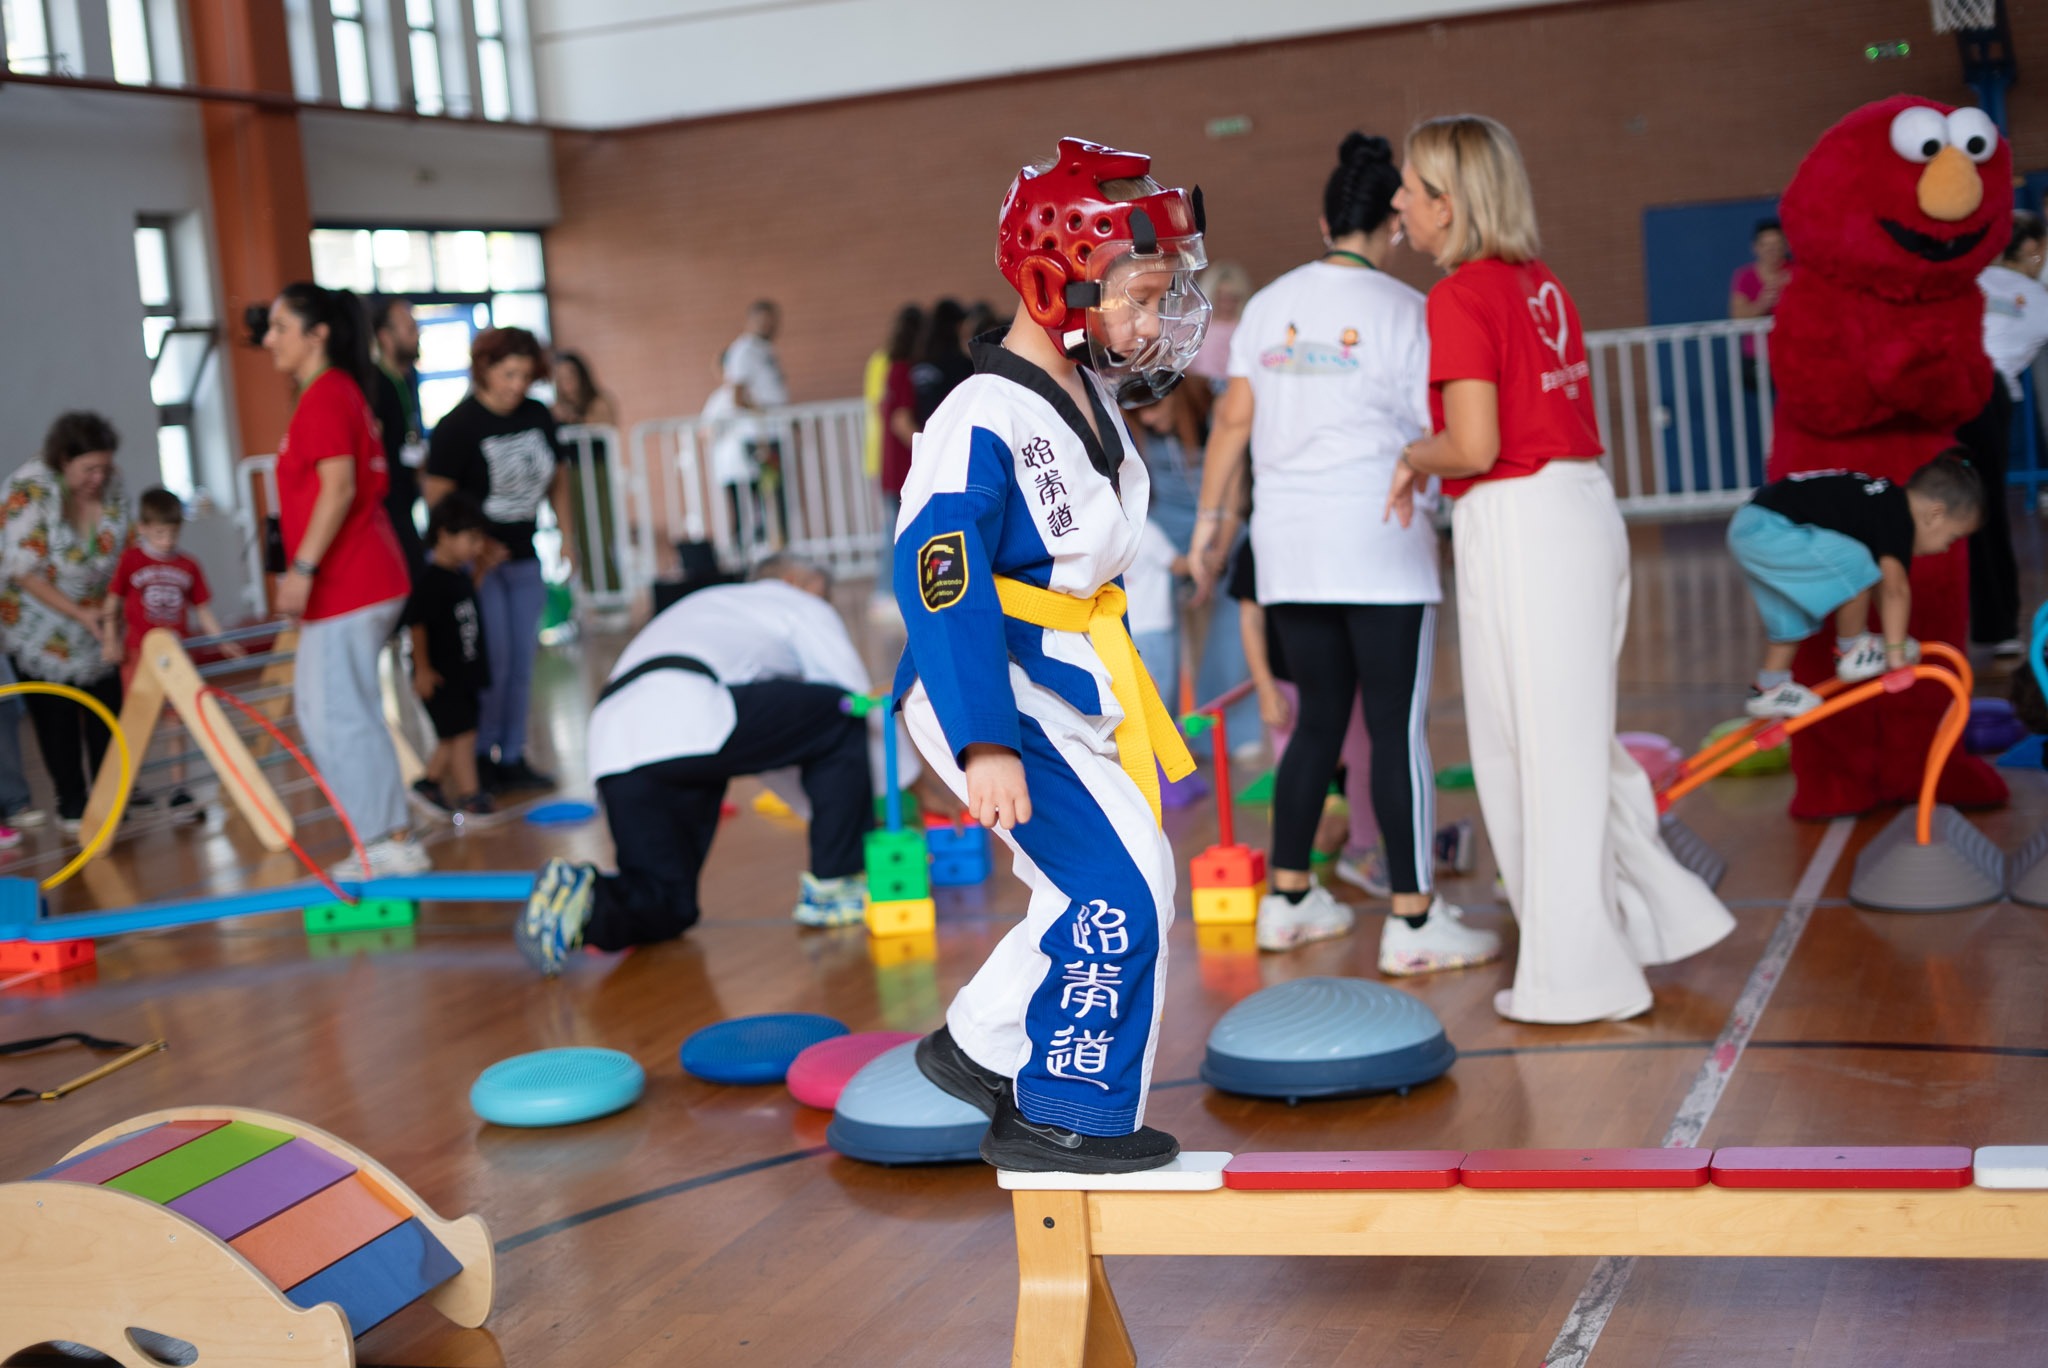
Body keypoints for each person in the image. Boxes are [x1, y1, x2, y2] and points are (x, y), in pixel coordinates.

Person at [896, 138, 1210, 1173]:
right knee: (1119, 888)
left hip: (1063, 676)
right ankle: (1059, 1111)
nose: (1152, 323)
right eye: (1138, 298)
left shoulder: (1085, 392)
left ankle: (983, 1048)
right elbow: (938, 578)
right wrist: (985, 738)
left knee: (1115, 877)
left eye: (1159, 299)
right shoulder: (978, 417)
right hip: (989, 680)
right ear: (1052, 281)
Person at [1387, 114, 1733, 1024]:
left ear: (1447, 204)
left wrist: (1410, 455)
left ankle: (1577, 977)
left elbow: (1473, 445)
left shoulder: (1459, 296)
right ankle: (1648, 921)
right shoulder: (1541, 283)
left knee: (1532, 757)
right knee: (1575, 746)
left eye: (1410, 188)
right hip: (1580, 508)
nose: (1398, 202)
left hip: (1524, 521)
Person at [1193, 131, 1493, 971]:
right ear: (1392, 224)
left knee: (1318, 721)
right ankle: (1414, 920)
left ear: (1324, 222)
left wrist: (1211, 525)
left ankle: (1288, 902)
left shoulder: (1268, 305)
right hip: (1382, 543)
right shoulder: (1409, 311)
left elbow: (1233, 421)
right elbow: (1441, 431)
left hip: (1289, 549)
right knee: (1394, 730)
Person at [516, 557, 898, 973]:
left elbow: (778, 747)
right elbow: (857, 701)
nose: (828, 606)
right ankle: (836, 885)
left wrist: (834, 814)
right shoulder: (792, 600)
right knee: (840, 712)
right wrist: (908, 793)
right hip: (686, 713)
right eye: (825, 595)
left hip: (614, 743)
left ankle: (585, 897)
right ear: (796, 580)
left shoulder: (710, 610)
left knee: (667, 904)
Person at [262, 283, 427, 877]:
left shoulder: (328, 394)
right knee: (335, 710)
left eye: (280, 327)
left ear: (318, 335)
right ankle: (390, 839)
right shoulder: (334, 391)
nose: (269, 340)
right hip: (360, 580)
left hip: (350, 581)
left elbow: (339, 488)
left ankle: (383, 844)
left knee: (337, 715)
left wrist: (302, 570)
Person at [423, 326, 569, 794]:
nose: (517, 385)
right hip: (477, 567)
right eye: (508, 374)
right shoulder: (457, 427)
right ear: (484, 370)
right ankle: (481, 755)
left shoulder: (538, 414)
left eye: (525, 375)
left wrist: (567, 536)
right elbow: (438, 501)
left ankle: (512, 754)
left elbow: (558, 477)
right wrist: (479, 546)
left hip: (525, 556)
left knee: (523, 662)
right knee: (493, 664)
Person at [1730, 456, 1982, 718]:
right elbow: (1895, 590)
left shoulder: (1881, 504)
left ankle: (1770, 687)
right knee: (1857, 564)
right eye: (1951, 537)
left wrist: (1893, 643)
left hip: (1752, 524)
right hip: (1770, 528)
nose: (1945, 548)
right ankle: (1852, 650)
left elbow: (1883, 585)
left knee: (1791, 615)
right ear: (1935, 514)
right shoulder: (1898, 517)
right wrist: (1895, 655)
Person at [0, 412, 130, 834]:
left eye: (104, 467)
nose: (99, 477)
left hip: (99, 619)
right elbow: (23, 571)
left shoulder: (113, 485)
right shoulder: (29, 489)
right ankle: (71, 802)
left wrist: (110, 613)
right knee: (56, 717)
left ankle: (111, 798)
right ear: (63, 460)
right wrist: (79, 614)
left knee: (107, 708)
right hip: (40, 626)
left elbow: (123, 549)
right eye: (89, 469)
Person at [105, 487, 244, 812]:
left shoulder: (188, 565)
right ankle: (128, 787)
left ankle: (180, 786)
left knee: (175, 721)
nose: (167, 541)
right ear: (142, 528)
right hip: (138, 654)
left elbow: (203, 609)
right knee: (137, 720)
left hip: (177, 656)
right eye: (159, 534)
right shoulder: (131, 560)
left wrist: (222, 640)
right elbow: (112, 603)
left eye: (173, 533)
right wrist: (110, 639)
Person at [1967, 211, 2048, 655]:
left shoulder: (1974, 279)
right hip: (1984, 396)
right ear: (2033, 248)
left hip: (1947, 391)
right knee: (1987, 512)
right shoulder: (2036, 297)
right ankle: (1998, 629)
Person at [404, 492, 493, 817]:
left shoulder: (458, 575)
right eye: (472, 539)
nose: (478, 548)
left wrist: (482, 572)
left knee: (452, 736)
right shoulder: (430, 581)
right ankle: (471, 797)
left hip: (463, 674)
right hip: (442, 676)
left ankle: (429, 783)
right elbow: (417, 626)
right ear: (444, 534)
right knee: (463, 735)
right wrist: (423, 669)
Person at [707, 300, 790, 547]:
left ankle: (776, 548)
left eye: (771, 320)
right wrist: (765, 414)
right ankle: (766, 553)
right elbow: (738, 396)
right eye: (762, 320)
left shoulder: (765, 350)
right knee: (767, 502)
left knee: (775, 500)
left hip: (772, 432)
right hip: (759, 436)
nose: (767, 325)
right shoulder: (744, 350)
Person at [549, 350, 622, 600]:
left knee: (601, 534)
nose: (566, 382)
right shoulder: (553, 409)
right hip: (570, 475)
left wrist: (575, 419)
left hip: (597, 472)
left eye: (570, 375)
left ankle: (610, 592)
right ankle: (591, 593)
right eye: (560, 377)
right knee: (579, 535)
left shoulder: (599, 401)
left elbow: (606, 427)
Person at [369, 297, 428, 580]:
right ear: (385, 336)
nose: (417, 333)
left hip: (407, 499)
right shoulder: (374, 384)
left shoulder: (407, 377)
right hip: (386, 507)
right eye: (409, 328)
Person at [873, 305, 923, 610]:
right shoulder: (905, 371)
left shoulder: (891, 368)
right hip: (905, 466)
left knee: (894, 529)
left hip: (892, 466)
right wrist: (929, 450)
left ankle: (885, 594)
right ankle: (885, 594)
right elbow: (902, 422)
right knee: (897, 532)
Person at [1730, 218, 1791, 389]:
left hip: (1794, 352)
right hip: (1758, 357)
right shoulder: (1744, 276)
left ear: (1786, 246)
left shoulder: (1797, 273)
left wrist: (1792, 293)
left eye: (1777, 245)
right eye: (1766, 246)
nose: (1772, 251)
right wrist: (1763, 304)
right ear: (1756, 247)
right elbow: (1738, 317)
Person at [910, 298, 973, 426]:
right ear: (956, 326)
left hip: (923, 431)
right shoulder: (960, 364)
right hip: (950, 430)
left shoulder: (917, 361)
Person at [1189, 261, 1252, 386]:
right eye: (1222, 298)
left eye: (1232, 298)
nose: (1227, 304)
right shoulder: (1196, 325)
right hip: (1201, 386)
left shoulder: (1246, 326)